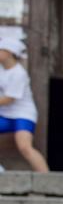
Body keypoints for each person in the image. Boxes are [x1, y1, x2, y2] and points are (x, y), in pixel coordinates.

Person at [0, 36, 47, 173]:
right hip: (5, 115)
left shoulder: (19, 73)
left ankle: (46, 179)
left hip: (23, 115)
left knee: (25, 147)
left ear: (9, 52)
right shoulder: (2, 71)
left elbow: (9, 99)